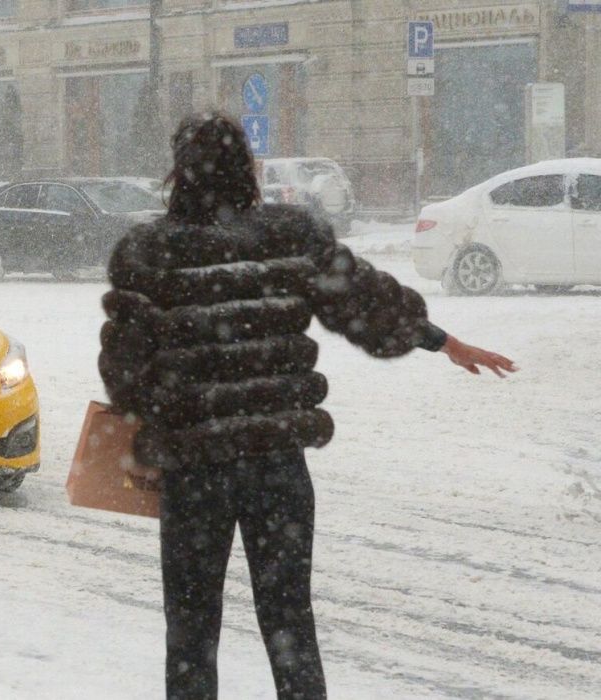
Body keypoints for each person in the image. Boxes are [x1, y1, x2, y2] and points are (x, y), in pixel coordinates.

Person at [98, 112, 517, 700]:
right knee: (290, 620)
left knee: (191, 630)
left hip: (196, 474)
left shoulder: (150, 253)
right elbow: (366, 302)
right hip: (276, 466)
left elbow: (124, 370)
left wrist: (170, 414)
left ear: (180, 172)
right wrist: (439, 339)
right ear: (247, 168)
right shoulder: (290, 236)